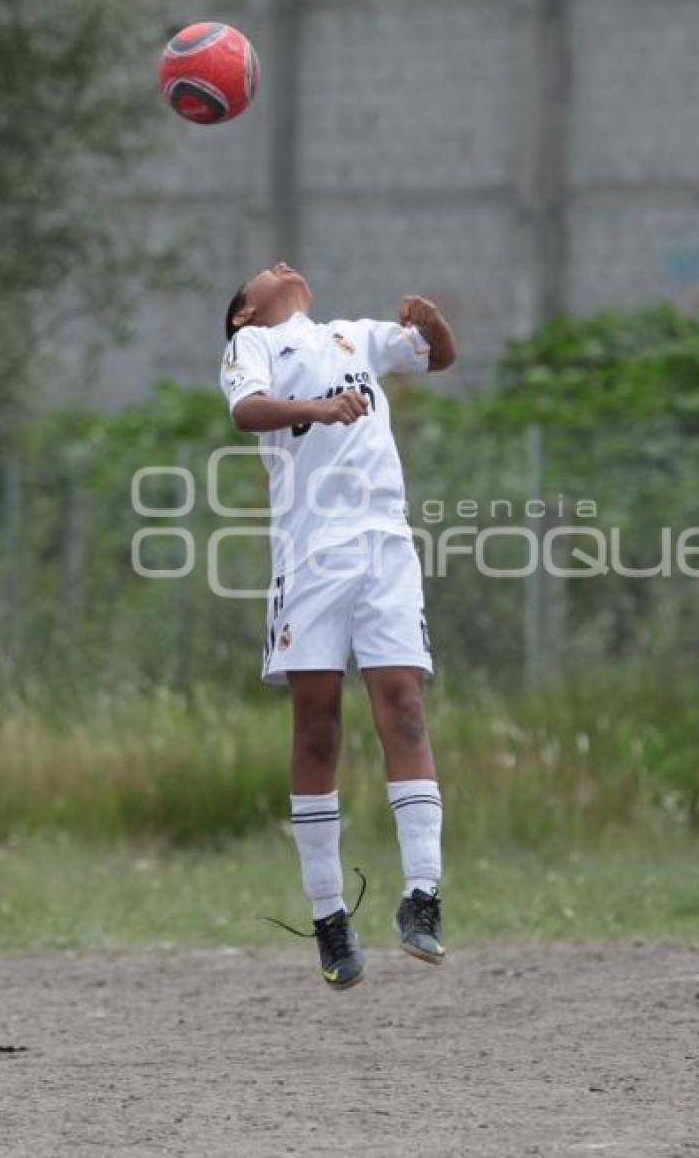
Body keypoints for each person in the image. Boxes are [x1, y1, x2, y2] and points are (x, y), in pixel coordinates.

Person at [219, 262, 457, 990]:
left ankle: (423, 895)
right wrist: (319, 412)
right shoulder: (254, 346)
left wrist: (435, 323)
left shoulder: (350, 335)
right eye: (262, 272)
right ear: (243, 312)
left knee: (405, 710)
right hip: (311, 553)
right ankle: (329, 915)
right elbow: (246, 411)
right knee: (318, 724)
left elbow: (437, 355)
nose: (279, 267)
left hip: (385, 543)